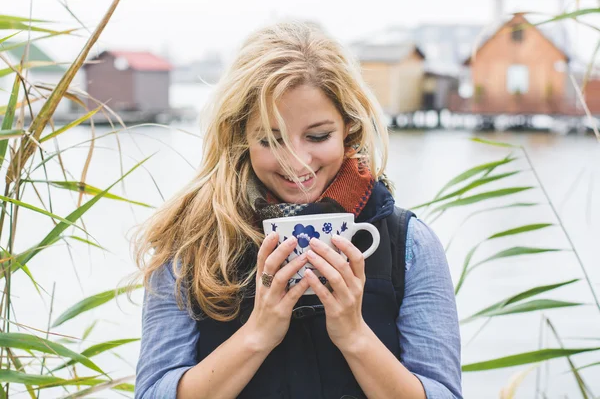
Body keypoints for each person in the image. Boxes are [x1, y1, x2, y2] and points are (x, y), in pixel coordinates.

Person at [132, 21, 462, 399]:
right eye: (270, 140)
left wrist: (354, 336)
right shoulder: (191, 244)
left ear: (349, 129)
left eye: (317, 136)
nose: (296, 163)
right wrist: (258, 334)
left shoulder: (409, 246)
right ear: (241, 137)